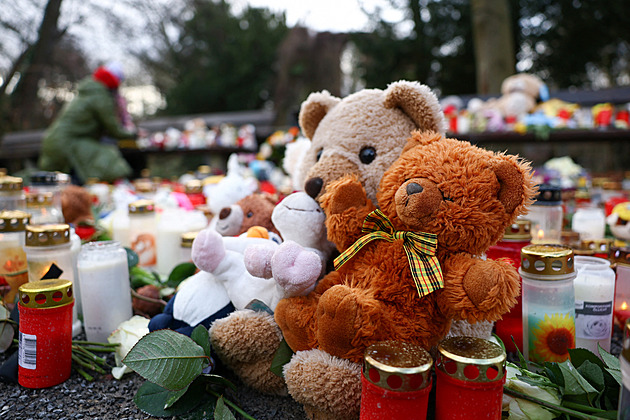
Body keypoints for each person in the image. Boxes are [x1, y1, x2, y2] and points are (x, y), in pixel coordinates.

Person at [38, 62, 136, 183]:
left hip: (54, 141)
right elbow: (113, 129)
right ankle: (121, 190)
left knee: (64, 186)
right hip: (68, 144)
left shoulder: (88, 92)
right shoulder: (100, 96)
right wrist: (134, 134)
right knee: (109, 159)